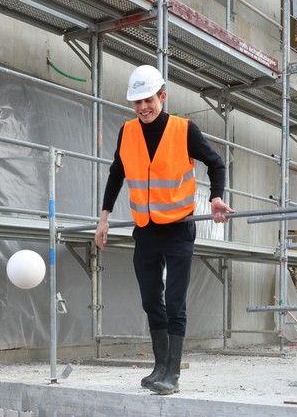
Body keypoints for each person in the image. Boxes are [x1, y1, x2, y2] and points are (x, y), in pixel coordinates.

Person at [94, 65, 234, 395]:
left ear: (162, 96)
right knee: (150, 300)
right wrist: (104, 218)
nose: (143, 107)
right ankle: (159, 365)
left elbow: (216, 163)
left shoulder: (185, 130)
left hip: (178, 229)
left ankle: (173, 373)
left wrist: (216, 197)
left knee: (174, 301)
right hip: (145, 230)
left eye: (149, 100)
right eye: (137, 101)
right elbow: (117, 174)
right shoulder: (127, 132)